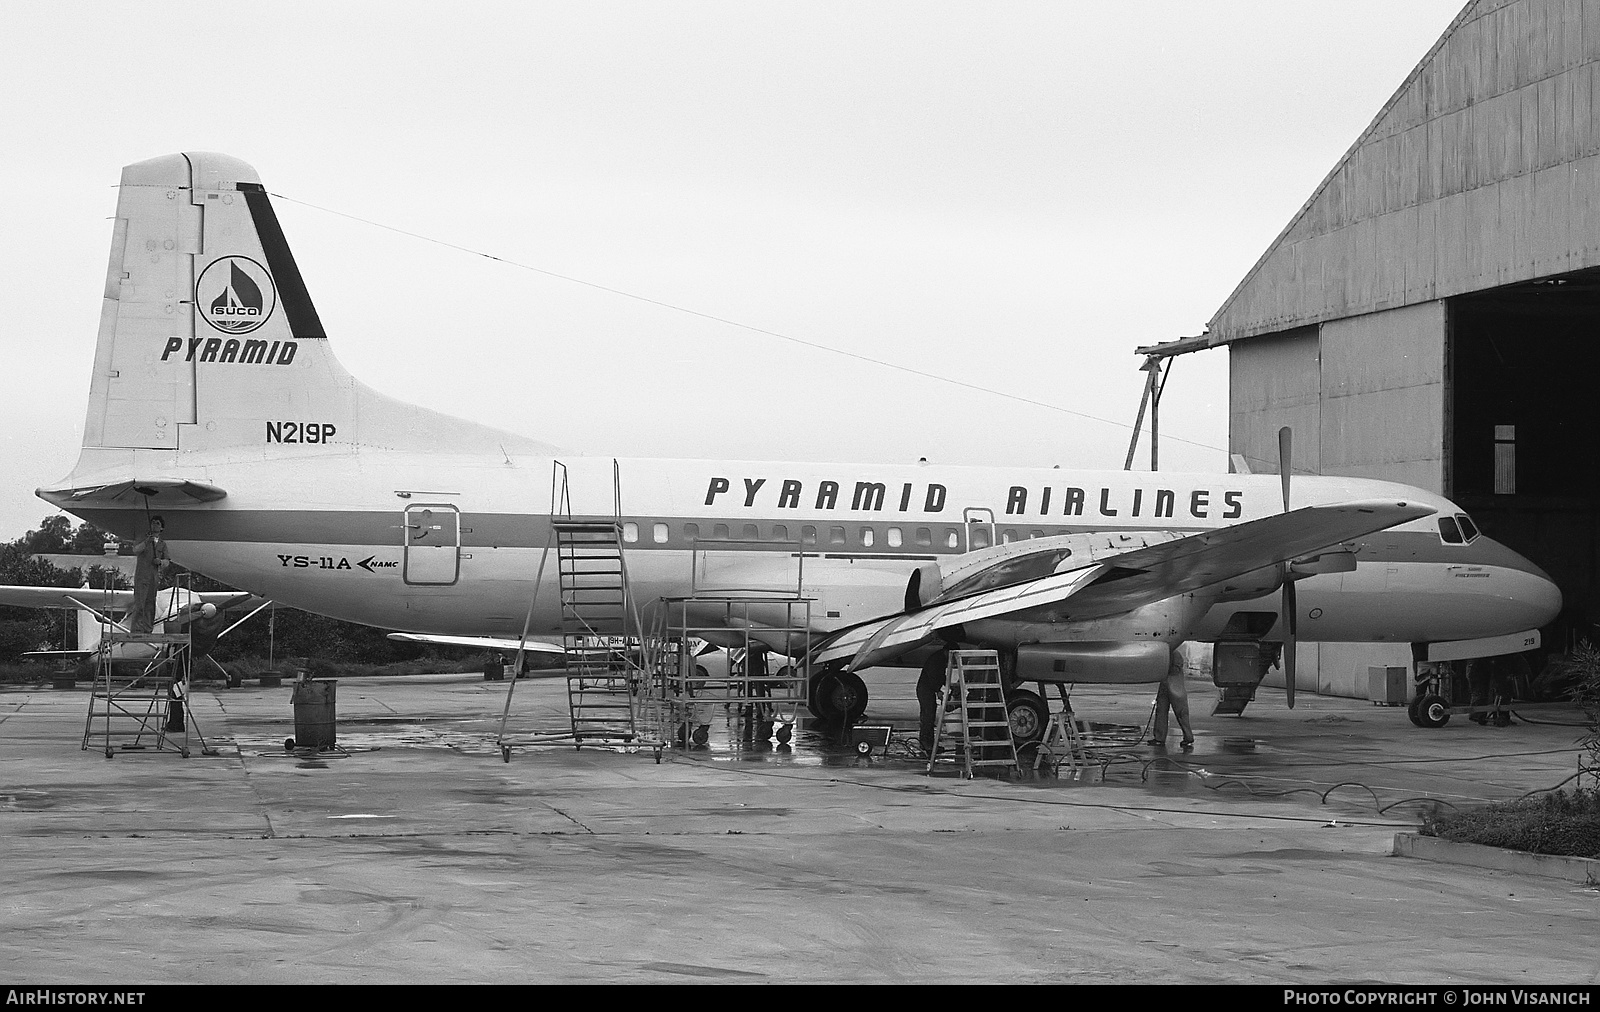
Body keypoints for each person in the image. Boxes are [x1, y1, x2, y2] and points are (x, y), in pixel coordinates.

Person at [128, 515, 169, 634]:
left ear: (161, 528)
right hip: (142, 576)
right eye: (153, 523)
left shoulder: (162, 544)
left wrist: (160, 562)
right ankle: (136, 629)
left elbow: (167, 560)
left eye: (157, 523)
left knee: (150, 604)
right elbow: (136, 550)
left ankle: (147, 629)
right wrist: (147, 542)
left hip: (153, 578)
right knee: (140, 603)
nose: (154, 525)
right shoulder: (143, 539)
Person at [1150, 642, 1195, 748]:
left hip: (1175, 686)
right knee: (1161, 711)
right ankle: (1159, 738)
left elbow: (1174, 670)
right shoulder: (1168, 654)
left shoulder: (1175, 655)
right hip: (1166, 685)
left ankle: (1188, 737)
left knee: (1181, 713)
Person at [1467, 656, 1514, 727]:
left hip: (1489, 666)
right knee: (1480, 691)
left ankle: (1480, 714)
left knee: (1499, 690)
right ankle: (1478, 714)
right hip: (1483, 668)